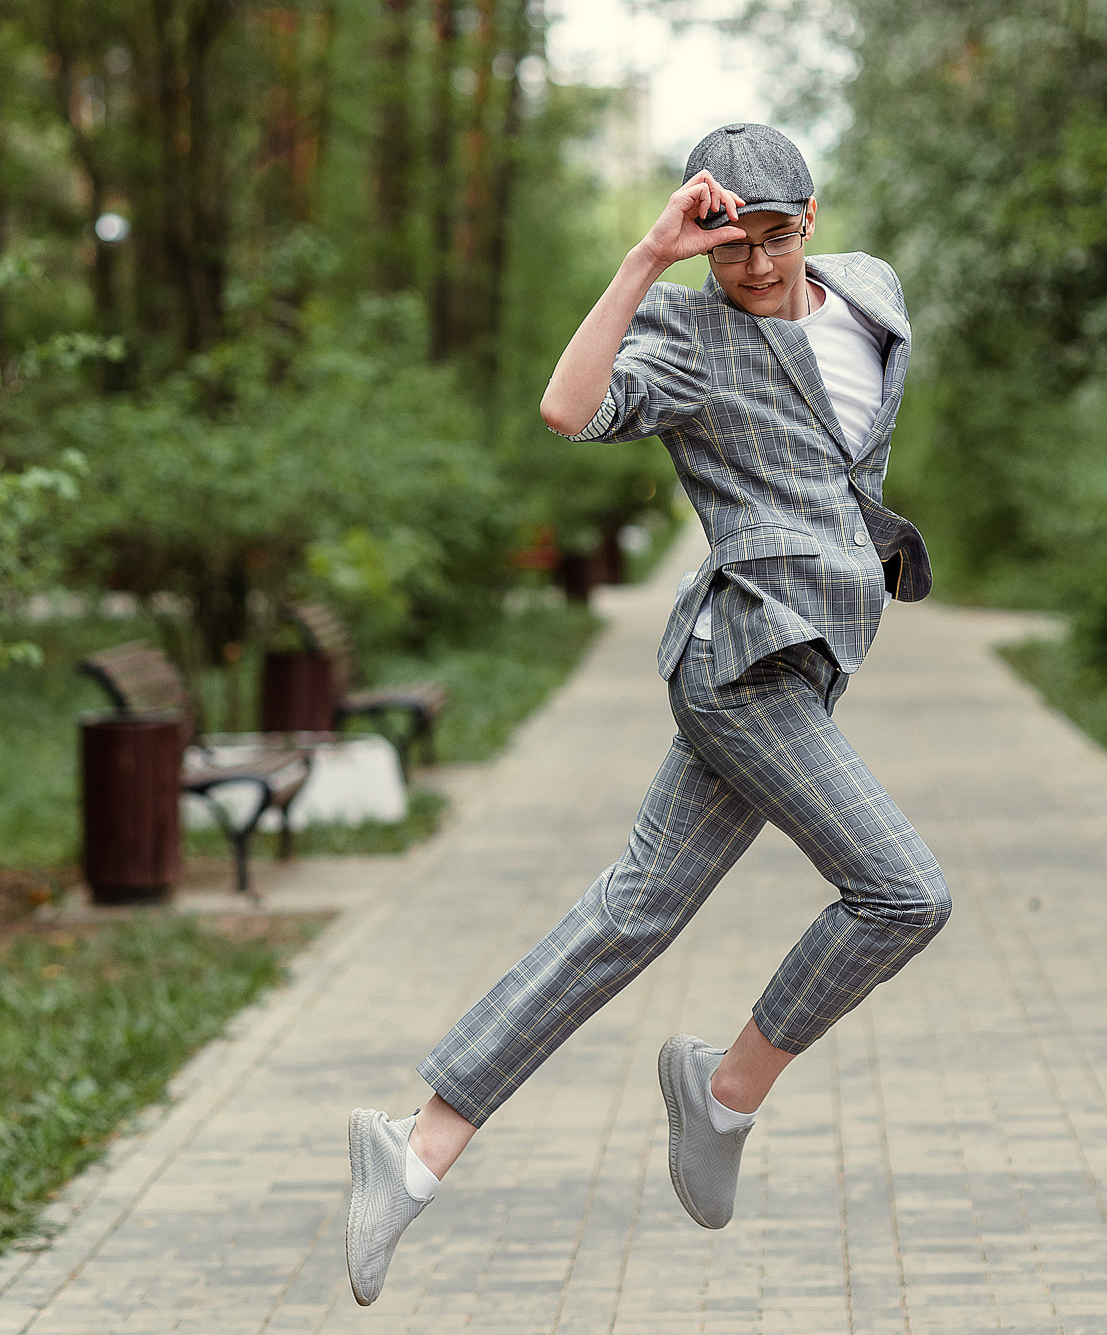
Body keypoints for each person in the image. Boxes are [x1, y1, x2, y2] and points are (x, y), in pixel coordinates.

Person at [344, 122, 950, 1306]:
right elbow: (566, 409)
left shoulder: (871, 296)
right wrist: (646, 259)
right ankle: (725, 1091)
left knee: (630, 913)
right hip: (739, 666)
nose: (754, 268)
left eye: (772, 241)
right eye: (729, 249)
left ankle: (413, 1153)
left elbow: (846, 460)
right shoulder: (685, 332)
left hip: (812, 660)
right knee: (902, 894)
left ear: (810, 221)